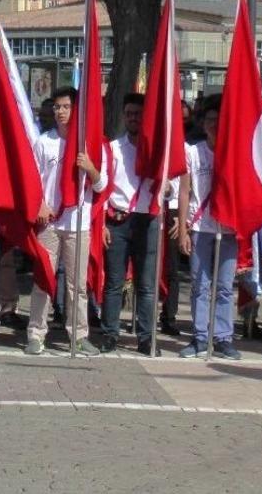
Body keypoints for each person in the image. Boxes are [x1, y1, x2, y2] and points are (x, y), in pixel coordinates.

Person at [25, 87, 107, 357]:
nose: (60, 112)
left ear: (76, 110)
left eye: (66, 107)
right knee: (43, 280)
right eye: (57, 107)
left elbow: (102, 184)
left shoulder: (88, 144)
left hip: (78, 223)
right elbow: (33, 181)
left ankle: (80, 335)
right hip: (48, 222)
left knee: (77, 285)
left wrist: (90, 168)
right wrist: (40, 204)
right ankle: (36, 333)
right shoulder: (43, 142)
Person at [178, 97, 241, 360]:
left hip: (228, 229)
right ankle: (200, 337)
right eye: (210, 120)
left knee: (225, 286)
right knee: (200, 284)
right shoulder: (192, 152)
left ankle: (223, 338)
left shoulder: (234, 155)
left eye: (219, 121)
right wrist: (182, 229)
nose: (215, 125)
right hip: (200, 226)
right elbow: (184, 191)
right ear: (203, 124)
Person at [100, 93, 161, 356]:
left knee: (146, 285)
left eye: (138, 113)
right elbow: (103, 187)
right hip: (118, 219)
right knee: (114, 282)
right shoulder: (113, 148)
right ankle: (110, 334)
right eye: (129, 113)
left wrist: (166, 188)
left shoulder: (158, 150)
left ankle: (146, 338)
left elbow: (170, 186)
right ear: (124, 116)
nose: (133, 118)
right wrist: (102, 222)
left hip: (147, 219)